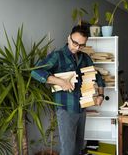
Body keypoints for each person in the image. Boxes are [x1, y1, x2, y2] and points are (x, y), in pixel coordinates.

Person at [31, 25, 105, 155]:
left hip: (82, 108)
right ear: (68, 38)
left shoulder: (85, 58)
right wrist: (60, 81)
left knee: (78, 147)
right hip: (65, 109)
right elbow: (35, 72)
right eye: (75, 42)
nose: (77, 47)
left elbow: (97, 76)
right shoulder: (57, 55)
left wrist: (101, 95)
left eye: (81, 45)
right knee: (68, 150)